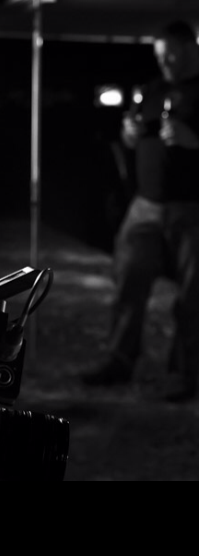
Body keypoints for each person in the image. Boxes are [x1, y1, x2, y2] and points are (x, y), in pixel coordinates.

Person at [82, 20, 199, 402]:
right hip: (145, 205)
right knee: (129, 281)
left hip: (192, 208)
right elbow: (131, 134)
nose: (165, 60)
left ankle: (186, 373)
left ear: (190, 48)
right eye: (160, 55)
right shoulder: (152, 90)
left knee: (193, 295)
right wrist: (128, 134)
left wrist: (194, 141)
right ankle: (119, 359)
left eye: (172, 53)